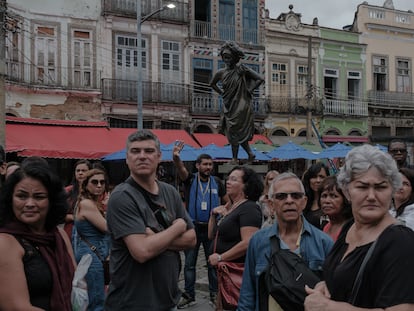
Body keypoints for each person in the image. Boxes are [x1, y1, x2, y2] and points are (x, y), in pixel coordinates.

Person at [305, 144, 414, 310]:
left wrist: (329, 307)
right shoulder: (350, 227)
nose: (371, 196)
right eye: (362, 187)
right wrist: (326, 285)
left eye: (380, 187)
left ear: (392, 190)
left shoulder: (401, 241)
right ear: (347, 191)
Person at [105, 130, 196, 311]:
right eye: (135, 151)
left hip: (168, 300)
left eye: (148, 151)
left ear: (159, 156)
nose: (142, 156)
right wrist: (177, 227)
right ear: (127, 158)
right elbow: (142, 251)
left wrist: (155, 238)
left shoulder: (170, 191)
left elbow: (192, 239)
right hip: (132, 303)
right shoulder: (122, 196)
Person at [237, 172, 333, 311]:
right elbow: (248, 293)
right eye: (281, 196)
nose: (289, 201)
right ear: (271, 204)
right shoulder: (258, 241)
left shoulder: (324, 242)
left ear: (304, 202)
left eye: (295, 196)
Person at [0, 159, 76, 310]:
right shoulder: (5, 243)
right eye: (21, 196)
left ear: (52, 201)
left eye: (39, 197)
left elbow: (76, 282)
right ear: (10, 200)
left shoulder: (59, 235)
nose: (29, 203)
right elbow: (16, 307)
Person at [172, 142, 226, 308]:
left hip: (211, 229)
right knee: (189, 264)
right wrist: (176, 158)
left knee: (212, 263)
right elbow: (181, 170)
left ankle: (214, 294)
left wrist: (224, 210)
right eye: (205, 164)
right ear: (197, 166)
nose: (208, 167)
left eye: (210, 164)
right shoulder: (190, 179)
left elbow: (227, 202)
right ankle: (189, 295)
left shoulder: (217, 181)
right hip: (193, 228)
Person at [208, 166, 263, 310]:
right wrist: (214, 215)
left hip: (237, 271)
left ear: (246, 185)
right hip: (224, 273)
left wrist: (221, 257)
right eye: (228, 178)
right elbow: (211, 235)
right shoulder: (232, 207)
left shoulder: (249, 208)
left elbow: (248, 242)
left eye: (234, 179)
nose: (228, 182)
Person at [210, 41, 264, 164]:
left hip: (241, 105)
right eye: (224, 57)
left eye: (228, 57)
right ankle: (250, 154)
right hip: (229, 105)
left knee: (233, 131)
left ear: (234, 57)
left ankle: (234, 159)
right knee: (233, 132)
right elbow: (212, 84)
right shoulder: (221, 73)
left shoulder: (242, 69)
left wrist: (249, 89)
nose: (226, 59)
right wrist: (222, 93)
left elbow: (260, 79)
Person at [74, 168, 111, 311]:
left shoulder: (90, 202)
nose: (99, 185)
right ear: (86, 185)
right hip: (91, 256)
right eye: (94, 182)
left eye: (102, 182)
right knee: (96, 300)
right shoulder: (87, 204)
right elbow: (108, 228)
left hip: (93, 253)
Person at [65, 159, 92, 241]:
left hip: (90, 233)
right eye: (78, 170)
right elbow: (58, 214)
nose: (80, 173)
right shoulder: (67, 191)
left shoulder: (96, 191)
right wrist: (74, 217)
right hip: (70, 232)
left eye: (83, 170)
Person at [318, 176, 353, 241]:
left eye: (333, 196)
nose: (327, 201)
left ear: (345, 199)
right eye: (324, 196)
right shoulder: (326, 227)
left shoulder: (351, 228)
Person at [302, 162, 330, 229]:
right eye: (314, 177)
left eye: (321, 177)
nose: (318, 180)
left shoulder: (331, 201)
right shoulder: (304, 200)